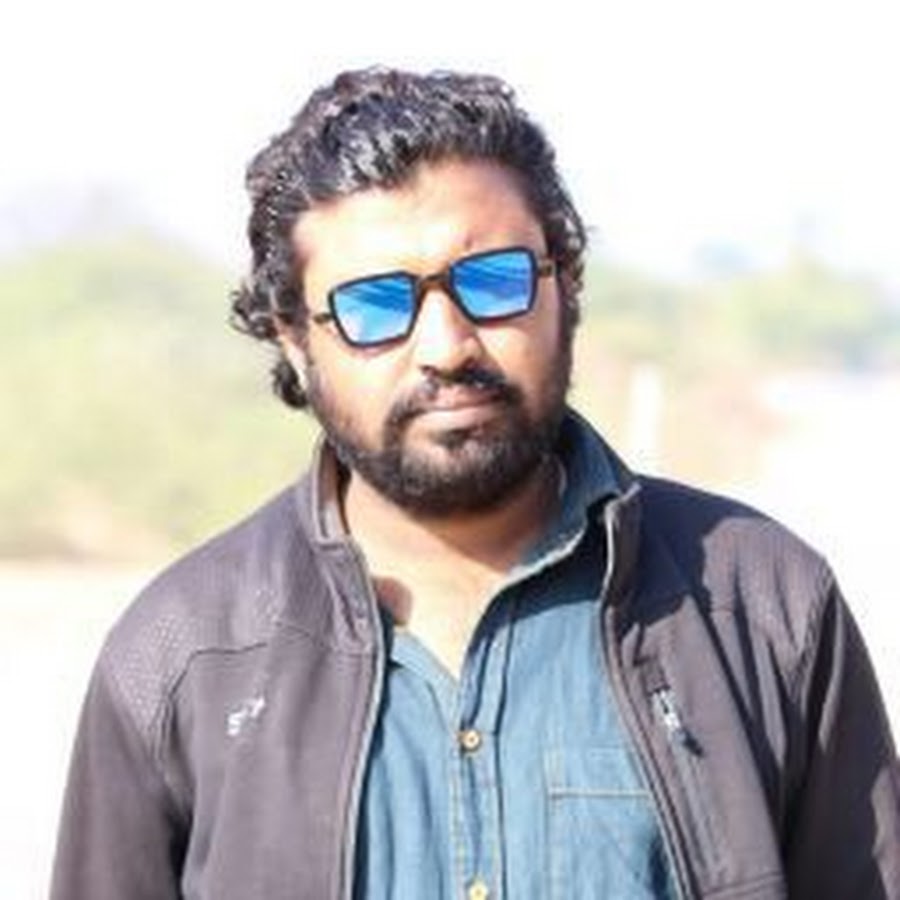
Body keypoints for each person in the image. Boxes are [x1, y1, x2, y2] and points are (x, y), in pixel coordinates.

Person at [51, 67, 899, 900]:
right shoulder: (181, 656)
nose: (447, 345)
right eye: (375, 305)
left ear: (565, 286)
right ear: (296, 342)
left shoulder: (763, 605)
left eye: (492, 280)